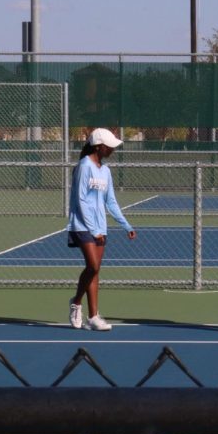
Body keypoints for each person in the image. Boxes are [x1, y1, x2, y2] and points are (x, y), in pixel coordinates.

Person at [67, 128, 137, 331]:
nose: (112, 149)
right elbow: (80, 199)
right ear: (99, 146)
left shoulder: (105, 171)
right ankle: (76, 302)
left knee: (95, 271)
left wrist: (126, 225)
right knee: (93, 266)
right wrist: (92, 228)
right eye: (109, 146)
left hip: (100, 227)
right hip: (82, 225)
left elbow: (111, 201)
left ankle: (94, 317)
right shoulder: (84, 166)